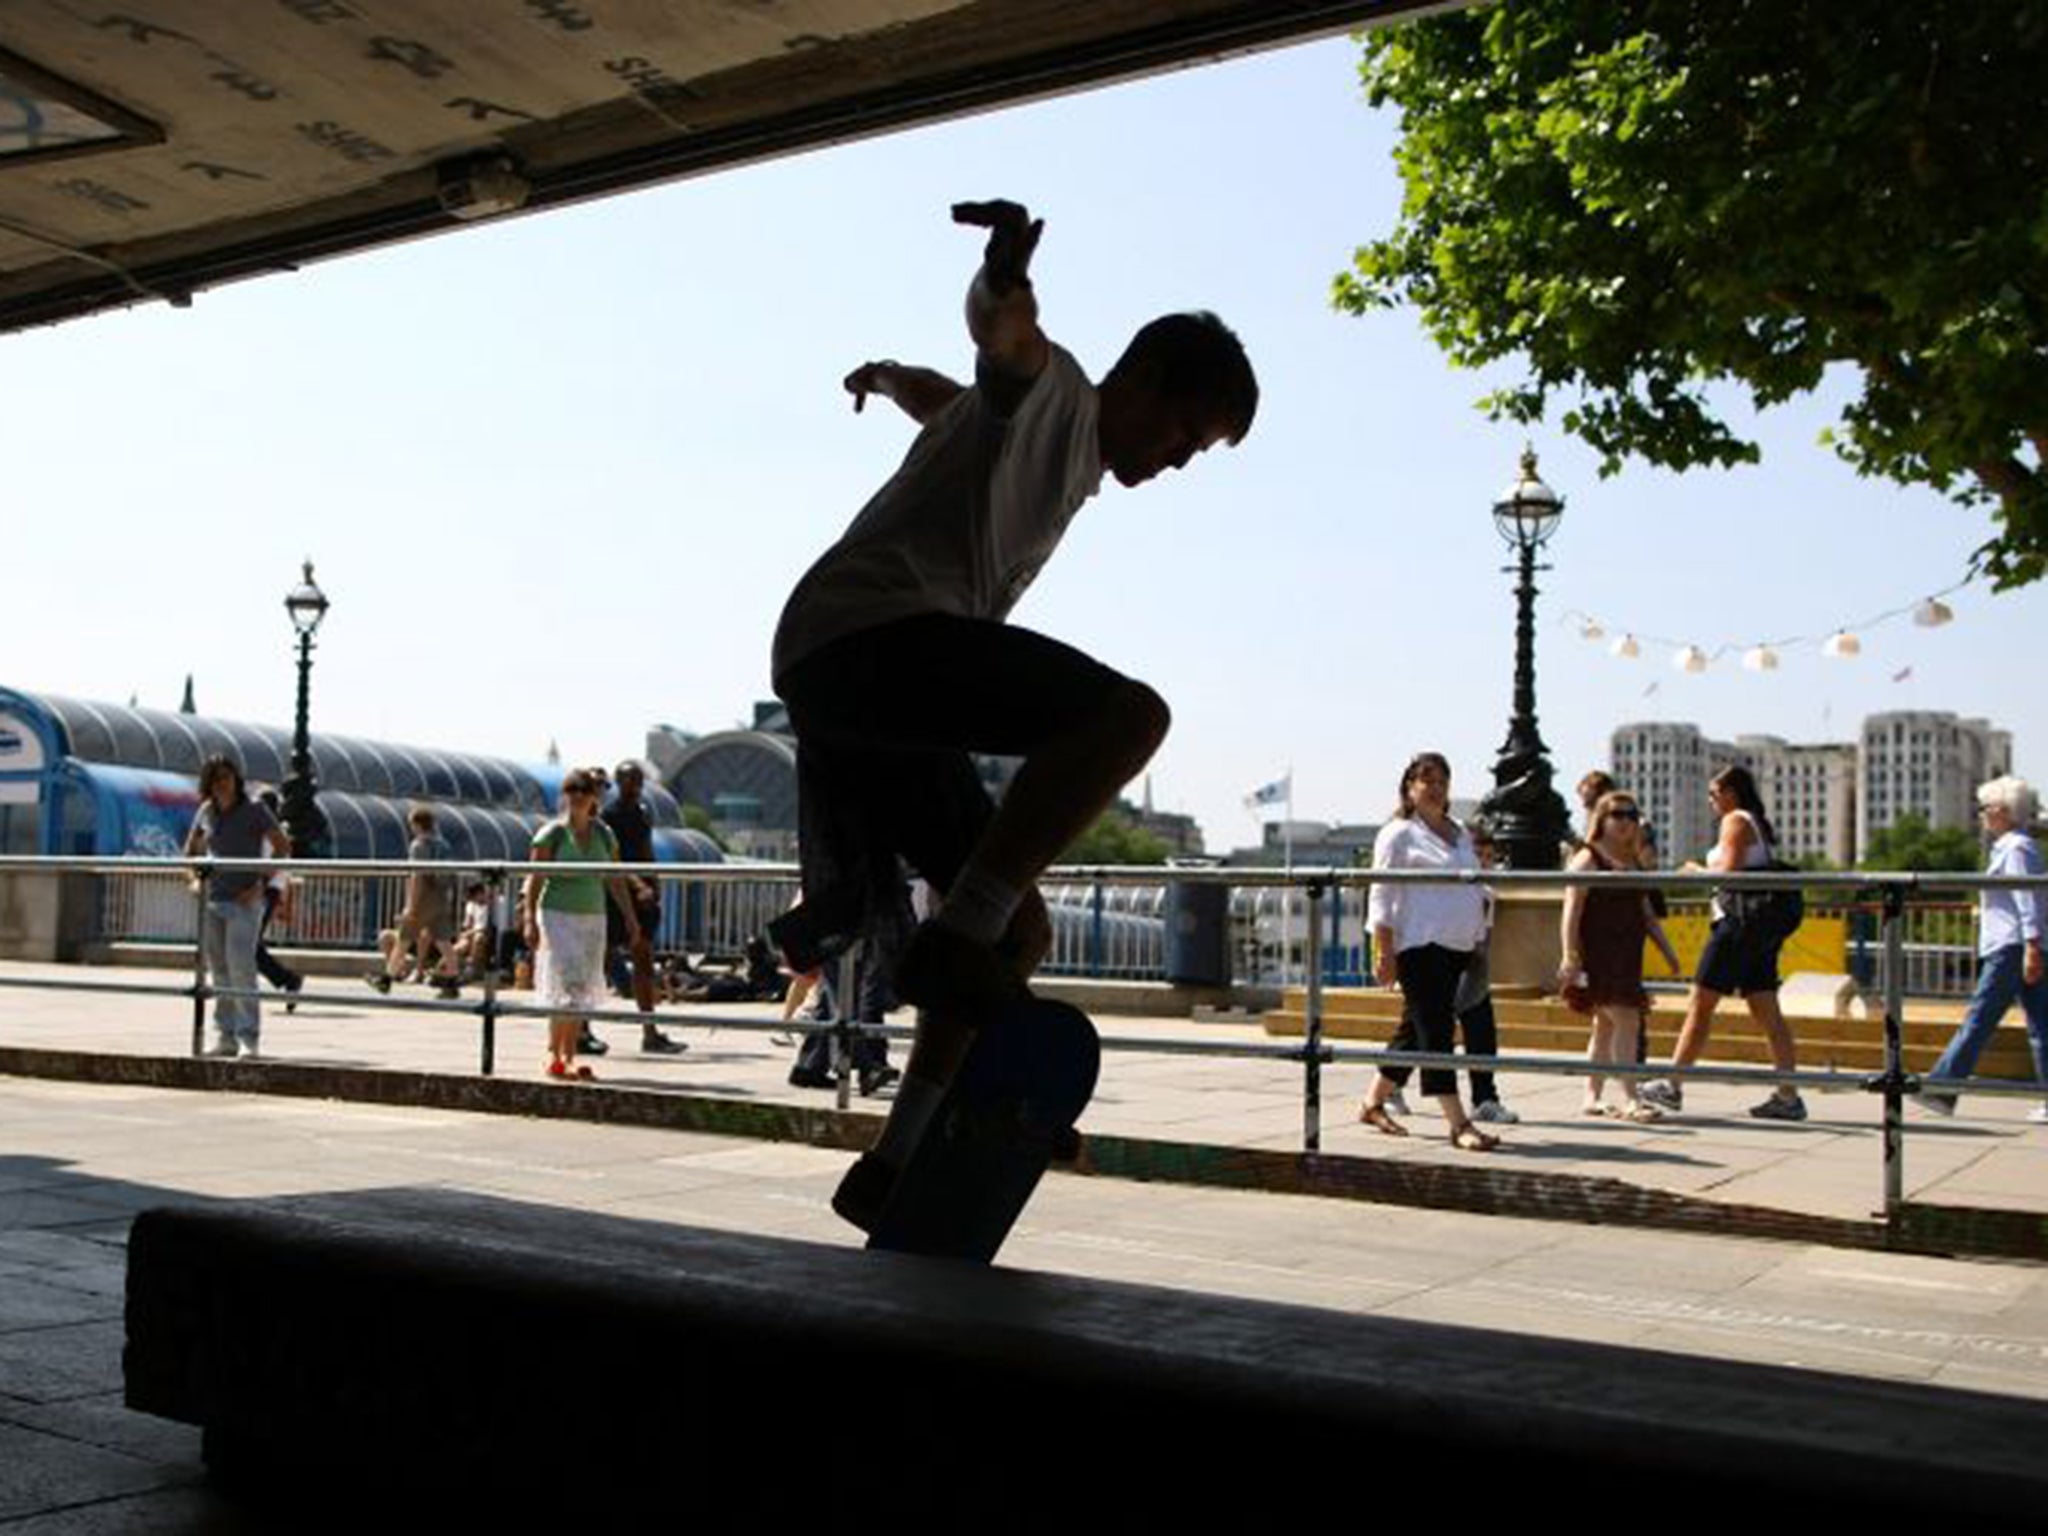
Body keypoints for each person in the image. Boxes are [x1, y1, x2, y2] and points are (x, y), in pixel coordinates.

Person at [767, 198, 1257, 1227]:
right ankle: (956, 949)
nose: (1176, 461)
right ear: (1147, 383)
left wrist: (882, 377)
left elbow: (941, 395)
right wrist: (1000, 275)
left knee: (1016, 927)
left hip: (855, 684)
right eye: (1183, 434)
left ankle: (893, 1161)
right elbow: (1002, 339)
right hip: (868, 640)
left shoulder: (1029, 439)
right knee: (1127, 718)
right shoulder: (1057, 392)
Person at [1641, 765, 1807, 1120]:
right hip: (1759, 928)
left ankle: (1673, 1084)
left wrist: (1695, 872)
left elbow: (1729, 875)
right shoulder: (1757, 823)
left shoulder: (1735, 821)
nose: (1711, 800)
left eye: (1715, 793)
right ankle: (1789, 1094)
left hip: (1735, 924)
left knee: (1700, 1003)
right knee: (1766, 1011)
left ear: (1732, 793)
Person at [1356, 753, 1502, 1152]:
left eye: (1442, 780)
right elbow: (1381, 894)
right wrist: (1382, 950)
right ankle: (1459, 1123)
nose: (1436, 787)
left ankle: (1372, 1101)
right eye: (1427, 780)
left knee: (1415, 1031)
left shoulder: (1458, 831)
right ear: (1409, 786)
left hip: (1457, 946)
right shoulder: (1399, 833)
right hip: (1419, 945)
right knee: (1437, 1031)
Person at [1914, 776, 2048, 1122]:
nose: (1982, 816)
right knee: (2041, 1024)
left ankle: (1942, 1087)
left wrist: (2032, 945)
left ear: (2002, 811)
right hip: (2018, 945)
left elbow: (2027, 897)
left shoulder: (2016, 848)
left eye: (1985, 808)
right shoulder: (2013, 846)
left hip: (2012, 947)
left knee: (1979, 1018)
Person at [1560, 790, 1681, 1120]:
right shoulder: (1587, 858)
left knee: (1605, 1026)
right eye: (1618, 815)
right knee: (1627, 1019)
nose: (1626, 822)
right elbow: (1571, 909)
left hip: (1627, 953)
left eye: (1632, 815)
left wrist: (1668, 951)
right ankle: (1630, 1098)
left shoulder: (1631, 860)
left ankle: (1592, 1096)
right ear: (1602, 819)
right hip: (1598, 952)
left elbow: (1646, 912)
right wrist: (1569, 954)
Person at [521, 768, 643, 1081]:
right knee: (565, 981)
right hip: (557, 913)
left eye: (583, 790)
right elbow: (535, 879)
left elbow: (615, 879)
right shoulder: (553, 833)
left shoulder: (604, 834)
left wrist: (630, 917)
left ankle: (566, 1055)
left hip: (592, 915)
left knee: (580, 985)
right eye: (571, 790)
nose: (577, 796)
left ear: (594, 797)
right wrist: (528, 919)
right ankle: (556, 1053)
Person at [182, 754, 290, 1059]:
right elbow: (190, 849)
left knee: (241, 966)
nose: (222, 785)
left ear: (236, 779)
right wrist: (193, 879)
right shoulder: (207, 811)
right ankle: (225, 1035)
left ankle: (248, 1037)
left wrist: (260, 884)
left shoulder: (255, 809)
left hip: (244, 900)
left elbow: (283, 847)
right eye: (215, 779)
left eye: (226, 778)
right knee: (219, 970)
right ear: (208, 784)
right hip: (213, 899)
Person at [600, 760, 686, 1055]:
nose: (634, 786)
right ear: (618, 782)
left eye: (637, 780)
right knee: (601, 961)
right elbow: (614, 859)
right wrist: (638, 885)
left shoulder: (643, 811)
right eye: (628, 780)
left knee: (644, 962)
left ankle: (650, 1031)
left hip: (645, 897)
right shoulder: (608, 816)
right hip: (617, 896)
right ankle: (581, 1027)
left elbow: (646, 850)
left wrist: (655, 881)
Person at [1451, 823, 1516, 1125]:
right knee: (1422, 1034)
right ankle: (1389, 1084)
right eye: (1479, 854)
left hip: (1473, 969)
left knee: (1482, 1034)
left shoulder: (1488, 893)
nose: (1485, 861)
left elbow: (1484, 937)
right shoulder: (1450, 888)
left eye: (1490, 855)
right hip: (1446, 965)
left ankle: (1485, 1098)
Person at [367, 806, 458, 995]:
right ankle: (452, 980)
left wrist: (411, 905)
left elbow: (417, 875)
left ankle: (387, 979)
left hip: (423, 898)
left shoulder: (419, 845)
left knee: (403, 939)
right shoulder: (444, 845)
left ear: (417, 824)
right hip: (440, 897)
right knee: (444, 941)